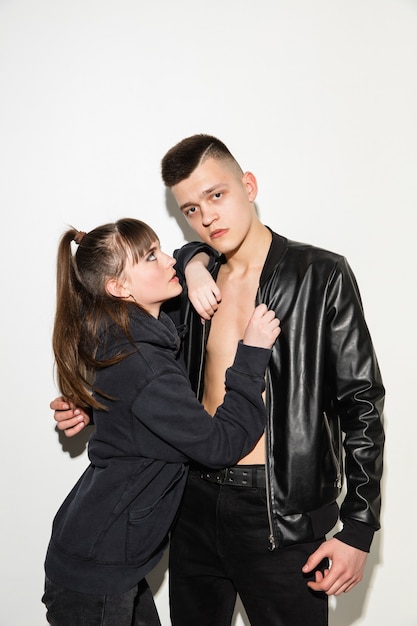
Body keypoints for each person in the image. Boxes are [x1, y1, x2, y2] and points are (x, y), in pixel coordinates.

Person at [52, 135, 385, 626]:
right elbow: (139, 375)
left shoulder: (319, 275)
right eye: (190, 208)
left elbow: (363, 404)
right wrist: (91, 402)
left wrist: (358, 527)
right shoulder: (181, 290)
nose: (206, 217)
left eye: (216, 195)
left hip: (277, 513)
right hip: (191, 504)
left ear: (247, 186)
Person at [42, 217, 281, 626]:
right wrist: (251, 355)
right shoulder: (145, 363)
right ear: (120, 288)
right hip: (99, 567)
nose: (167, 259)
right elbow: (218, 445)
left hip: (105, 557)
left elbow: (139, 417)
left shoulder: (124, 339)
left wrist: (193, 267)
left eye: (159, 248)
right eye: (151, 257)